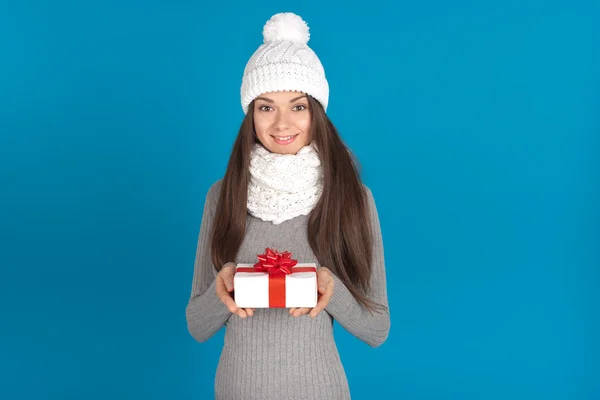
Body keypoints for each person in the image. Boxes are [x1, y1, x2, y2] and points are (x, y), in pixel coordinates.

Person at [185, 12, 390, 400]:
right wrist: (222, 289)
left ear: (317, 112)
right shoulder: (222, 195)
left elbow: (377, 329)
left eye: (298, 106)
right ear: (251, 114)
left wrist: (332, 290)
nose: (282, 124)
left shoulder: (353, 198)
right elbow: (197, 325)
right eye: (266, 107)